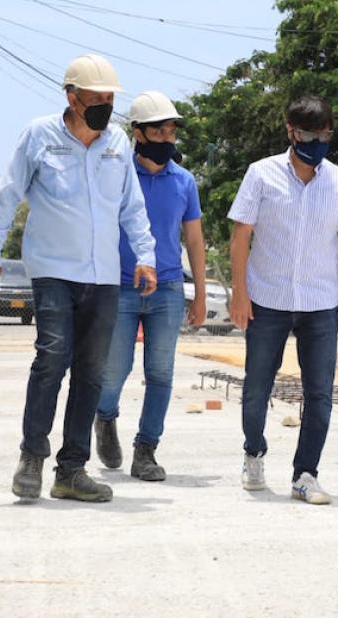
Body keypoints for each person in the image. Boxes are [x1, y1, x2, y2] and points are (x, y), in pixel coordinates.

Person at [0, 54, 158, 503]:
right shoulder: (40, 135)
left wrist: (146, 255)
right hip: (53, 269)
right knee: (52, 358)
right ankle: (31, 458)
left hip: (103, 276)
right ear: (72, 97)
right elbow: (7, 194)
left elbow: (132, 206)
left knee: (92, 372)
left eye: (109, 99)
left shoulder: (117, 142)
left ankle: (71, 470)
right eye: (96, 98)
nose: (104, 106)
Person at [228, 96, 338, 505]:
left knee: (319, 392)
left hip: (319, 303)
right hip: (267, 300)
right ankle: (253, 453)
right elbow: (240, 237)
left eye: (324, 135)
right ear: (290, 131)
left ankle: (305, 473)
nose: (316, 142)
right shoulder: (261, 174)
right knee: (257, 387)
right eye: (308, 135)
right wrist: (240, 293)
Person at [94, 91, 206, 482]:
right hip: (120, 288)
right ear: (137, 133)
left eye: (171, 131)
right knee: (114, 371)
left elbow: (194, 240)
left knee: (160, 373)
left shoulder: (184, 182)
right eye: (159, 131)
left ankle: (146, 450)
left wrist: (201, 296)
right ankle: (104, 418)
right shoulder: (118, 175)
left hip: (168, 290)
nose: (167, 139)